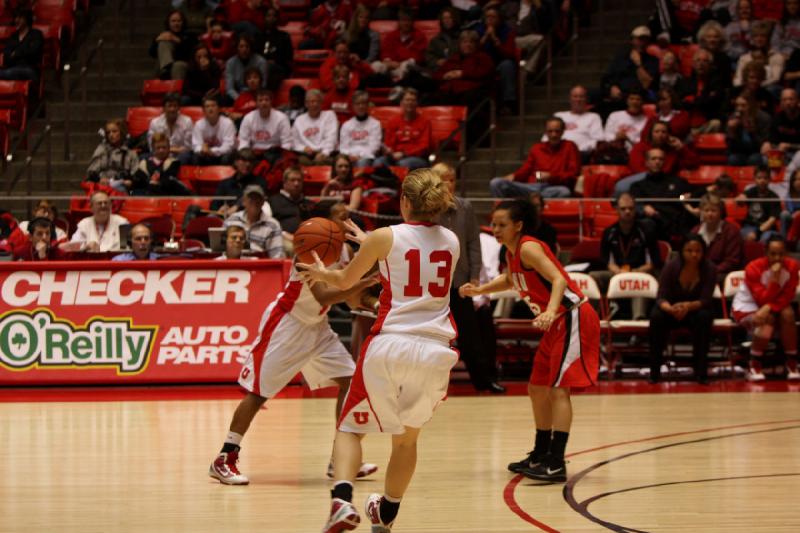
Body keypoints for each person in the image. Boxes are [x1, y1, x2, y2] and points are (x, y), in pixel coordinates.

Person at [297, 168, 460, 533]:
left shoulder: (384, 237)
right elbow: (414, 248)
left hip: (391, 343)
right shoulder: (452, 240)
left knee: (350, 429)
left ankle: (341, 501)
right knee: (406, 441)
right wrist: (373, 242)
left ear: (403, 201)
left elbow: (344, 281)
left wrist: (320, 273)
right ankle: (386, 513)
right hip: (435, 349)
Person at [208, 191, 380, 489]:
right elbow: (324, 294)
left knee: (352, 383)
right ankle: (224, 458)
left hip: (318, 327)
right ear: (325, 222)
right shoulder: (307, 249)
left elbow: (349, 297)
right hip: (287, 326)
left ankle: (339, 458)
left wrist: (372, 299)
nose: (347, 220)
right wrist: (364, 281)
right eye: (341, 216)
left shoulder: (344, 252)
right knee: (259, 394)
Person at [460, 199, 600, 482]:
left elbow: (559, 280)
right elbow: (511, 280)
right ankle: (541, 451)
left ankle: (556, 462)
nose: (496, 230)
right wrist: (481, 290)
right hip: (556, 323)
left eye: (502, 225)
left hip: (572, 315)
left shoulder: (529, 247)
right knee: (537, 388)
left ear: (518, 226)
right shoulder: (511, 252)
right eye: (494, 224)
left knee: (560, 390)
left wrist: (550, 310)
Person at [435, 162, 505, 394]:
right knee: (432, 335)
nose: (448, 184)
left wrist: (475, 275)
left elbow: (473, 243)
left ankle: (484, 380)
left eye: (452, 179)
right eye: (443, 179)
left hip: (461, 282)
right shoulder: (425, 207)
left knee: (471, 335)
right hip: (433, 285)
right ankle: (429, 385)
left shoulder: (465, 207)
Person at [648, 234, 717, 384]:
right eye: (689, 250)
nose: (694, 254)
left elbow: (706, 299)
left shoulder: (710, 268)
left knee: (705, 317)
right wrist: (671, 309)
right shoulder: (671, 266)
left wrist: (687, 306)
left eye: (698, 251)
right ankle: (654, 372)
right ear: (682, 251)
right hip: (671, 310)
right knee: (656, 316)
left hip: (696, 309)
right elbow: (661, 297)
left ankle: (701, 373)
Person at [732, 236, 800, 380]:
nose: (777, 258)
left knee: (788, 314)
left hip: (772, 305)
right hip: (746, 306)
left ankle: (791, 361)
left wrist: (768, 306)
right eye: (773, 254)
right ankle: (754, 363)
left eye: (781, 254)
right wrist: (775, 279)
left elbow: (788, 295)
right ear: (765, 253)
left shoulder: (793, 266)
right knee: (767, 318)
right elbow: (762, 298)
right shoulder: (753, 267)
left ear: (786, 253)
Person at [592, 192, 662, 318]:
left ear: (635, 210)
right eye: (623, 209)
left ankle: (638, 320)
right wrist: (619, 273)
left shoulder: (646, 231)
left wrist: (635, 272)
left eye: (631, 208)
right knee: (593, 277)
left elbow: (653, 262)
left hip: (641, 273)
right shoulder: (609, 232)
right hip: (617, 273)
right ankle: (593, 318)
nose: (627, 212)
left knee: (640, 282)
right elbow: (607, 261)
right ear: (617, 210)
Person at [490, 116, 580, 199]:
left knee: (564, 192)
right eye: (550, 131)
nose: (554, 135)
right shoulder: (537, 148)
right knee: (496, 183)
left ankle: (534, 199)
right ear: (545, 132)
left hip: (553, 187)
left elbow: (573, 174)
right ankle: (503, 212)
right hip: (532, 187)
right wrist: (514, 176)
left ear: (563, 131)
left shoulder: (569, 146)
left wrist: (551, 176)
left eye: (557, 131)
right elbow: (526, 170)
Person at [629, 148, 695, 241]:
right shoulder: (638, 186)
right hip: (655, 225)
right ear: (646, 162)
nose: (657, 162)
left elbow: (691, 195)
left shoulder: (677, 182)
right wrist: (642, 208)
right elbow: (633, 205)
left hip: (677, 224)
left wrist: (686, 197)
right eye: (653, 159)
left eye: (660, 159)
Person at [596, 26, 658, 117]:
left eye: (645, 39)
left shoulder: (653, 61)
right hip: (619, 97)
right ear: (632, 41)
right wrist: (611, 88)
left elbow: (647, 84)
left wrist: (638, 64)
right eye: (639, 39)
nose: (642, 43)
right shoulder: (621, 58)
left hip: (639, 98)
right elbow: (607, 78)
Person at [374, 88, 432, 170]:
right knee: (378, 162)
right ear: (401, 103)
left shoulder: (425, 121)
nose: (410, 103)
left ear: (417, 103)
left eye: (413, 100)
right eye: (407, 100)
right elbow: (388, 143)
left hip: (417, 158)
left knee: (402, 164)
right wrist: (389, 151)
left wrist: (404, 154)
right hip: (395, 156)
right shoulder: (393, 121)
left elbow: (424, 147)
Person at [692, 193, 744, 283]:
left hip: (725, 274)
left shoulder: (731, 231)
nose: (710, 214)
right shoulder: (695, 231)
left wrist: (709, 272)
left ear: (721, 212)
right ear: (701, 212)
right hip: (701, 273)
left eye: (713, 210)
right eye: (706, 210)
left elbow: (732, 262)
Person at [477, 5, 518, 114]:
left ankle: (509, 103)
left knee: (507, 65)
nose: (490, 19)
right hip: (482, 64)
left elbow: (509, 54)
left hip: (500, 63)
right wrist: (485, 36)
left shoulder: (508, 31)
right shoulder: (478, 30)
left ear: (499, 19)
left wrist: (495, 38)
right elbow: (473, 51)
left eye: (493, 17)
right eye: (487, 17)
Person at [223, 185, 285, 257]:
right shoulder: (232, 220)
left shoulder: (273, 225)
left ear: (263, 202)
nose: (255, 201)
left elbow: (277, 255)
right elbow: (221, 249)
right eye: (251, 198)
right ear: (243, 201)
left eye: (258, 198)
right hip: (232, 263)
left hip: (259, 265)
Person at [237, 89, 293, 166]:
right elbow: (243, 140)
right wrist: (245, 156)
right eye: (260, 100)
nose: (264, 103)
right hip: (254, 153)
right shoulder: (248, 118)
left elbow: (287, 142)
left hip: (275, 153)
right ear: (256, 103)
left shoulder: (282, 118)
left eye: (266, 100)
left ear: (271, 102)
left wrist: (284, 157)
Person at [550, 85, 604, 162]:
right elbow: (546, 138)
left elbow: (599, 140)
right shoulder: (559, 115)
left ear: (586, 99)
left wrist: (575, 149)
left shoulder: (594, 117)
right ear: (570, 99)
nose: (578, 99)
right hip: (557, 153)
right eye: (575, 96)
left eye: (581, 96)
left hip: (582, 155)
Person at [86, 119, 139, 193]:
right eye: (108, 132)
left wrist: (130, 182)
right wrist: (99, 179)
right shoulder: (101, 150)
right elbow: (91, 172)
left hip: (121, 186)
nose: (111, 135)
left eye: (114, 131)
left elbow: (135, 176)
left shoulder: (130, 154)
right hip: (102, 186)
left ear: (122, 132)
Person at [211, 148, 268, 215]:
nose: (247, 164)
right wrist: (221, 209)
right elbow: (214, 207)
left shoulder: (259, 182)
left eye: (250, 161)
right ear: (236, 162)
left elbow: (258, 202)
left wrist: (237, 206)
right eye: (244, 160)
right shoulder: (224, 184)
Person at [292, 89, 339, 166]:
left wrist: (324, 153)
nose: (314, 104)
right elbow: (293, 141)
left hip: (328, 153)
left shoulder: (330, 115)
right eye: (311, 102)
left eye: (317, 101)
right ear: (306, 104)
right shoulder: (299, 120)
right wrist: (303, 148)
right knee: (300, 161)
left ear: (321, 103)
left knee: (320, 161)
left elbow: (332, 139)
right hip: (307, 154)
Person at [733, 21, 785, 89]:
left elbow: (775, 78)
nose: (759, 39)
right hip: (746, 88)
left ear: (768, 38)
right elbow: (738, 77)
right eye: (756, 36)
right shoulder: (744, 58)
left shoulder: (777, 57)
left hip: (766, 88)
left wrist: (756, 85)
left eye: (762, 36)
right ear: (752, 39)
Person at [338, 91, 382, 167]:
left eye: (363, 103)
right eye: (357, 104)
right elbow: (343, 147)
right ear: (353, 106)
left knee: (361, 162)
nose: (360, 106)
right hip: (349, 157)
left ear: (368, 105)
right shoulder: (346, 125)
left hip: (367, 157)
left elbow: (374, 147)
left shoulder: (375, 124)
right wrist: (350, 156)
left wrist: (359, 156)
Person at [146, 93, 194, 164]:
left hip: (179, 156)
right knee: (143, 157)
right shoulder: (155, 123)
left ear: (178, 108)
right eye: (169, 106)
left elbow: (188, 148)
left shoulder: (187, 122)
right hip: (160, 154)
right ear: (164, 108)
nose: (172, 109)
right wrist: (171, 150)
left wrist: (168, 150)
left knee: (185, 157)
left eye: (175, 106)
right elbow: (152, 147)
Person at [727, 94, 772, 166]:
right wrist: (732, 132)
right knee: (733, 159)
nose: (739, 109)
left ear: (751, 106)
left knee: (754, 159)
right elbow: (731, 148)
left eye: (743, 105)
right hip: (740, 152)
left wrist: (752, 131)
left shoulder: (763, 118)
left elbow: (764, 144)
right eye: (737, 105)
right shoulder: (734, 118)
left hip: (757, 152)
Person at [739, 165, 781, 242]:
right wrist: (740, 198)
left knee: (765, 239)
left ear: (769, 179)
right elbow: (740, 201)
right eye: (759, 178)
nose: (762, 181)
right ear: (754, 179)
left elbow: (772, 220)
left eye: (765, 178)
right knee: (747, 236)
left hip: (768, 228)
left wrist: (758, 232)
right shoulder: (751, 191)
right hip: (749, 225)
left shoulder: (774, 197)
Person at [149, 10, 195, 80]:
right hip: (166, 66)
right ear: (168, 23)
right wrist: (156, 40)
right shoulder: (164, 35)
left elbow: (190, 53)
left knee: (178, 65)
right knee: (163, 42)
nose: (176, 23)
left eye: (179, 21)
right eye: (173, 21)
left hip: (184, 64)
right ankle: (166, 68)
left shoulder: (190, 36)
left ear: (183, 22)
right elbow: (152, 53)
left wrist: (176, 40)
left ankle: (167, 70)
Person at [191, 95, 237, 165]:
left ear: (219, 109)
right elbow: (196, 145)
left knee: (227, 157)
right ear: (203, 111)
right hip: (206, 155)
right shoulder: (198, 125)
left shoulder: (228, 123)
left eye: (213, 106)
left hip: (222, 155)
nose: (210, 109)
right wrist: (201, 150)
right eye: (207, 106)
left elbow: (228, 147)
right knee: (195, 157)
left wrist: (211, 151)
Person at [0, 8, 43, 82]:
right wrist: (22, 53)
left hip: (29, 70)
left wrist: (15, 53)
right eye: (16, 17)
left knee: (11, 72)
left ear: (27, 19)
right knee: (10, 72)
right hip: (12, 69)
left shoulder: (36, 34)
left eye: (20, 17)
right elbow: (6, 58)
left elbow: (34, 54)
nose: (16, 20)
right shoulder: (13, 37)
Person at [269, 166, 314, 234]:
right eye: (292, 180)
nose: (296, 184)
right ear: (284, 182)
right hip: (281, 239)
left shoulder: (309, 204)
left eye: (299, 180)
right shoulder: (272, 201)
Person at [224, 34, 268, 102]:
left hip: (256, 95)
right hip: (238, 96)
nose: (244, 49)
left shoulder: (261, 61)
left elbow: (263, 85)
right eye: (241, 46)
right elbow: (230, 89)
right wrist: (241, 100)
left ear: (251, 47)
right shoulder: (230, 63)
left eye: (247, 46)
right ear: (237, 48)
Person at [259, 6, 293, 91]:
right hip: (260, 68)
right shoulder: (258, 37)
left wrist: (276, 61)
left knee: (271, 69)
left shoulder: (284, 36)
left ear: (277, 18)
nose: (271, 18)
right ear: (264, 18)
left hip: (279, 69)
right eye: (268, 16)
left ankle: (265, 93)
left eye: (274, 16)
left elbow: (288, 57)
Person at [762, 88, 800, 163]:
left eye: (791, 99)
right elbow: (772, 139)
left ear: (798, 101)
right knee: (766, 158)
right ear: (781, 103)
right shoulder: (777, 118)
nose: (788, 103)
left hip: (798, 154)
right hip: (783, 154)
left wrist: (789, 146)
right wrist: (767, 143)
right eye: (784, 100)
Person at [425, 7, 461, 71]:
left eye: (449, 17)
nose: (447, 20)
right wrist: (437, 61)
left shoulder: (462, 37)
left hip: (458, 69)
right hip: (440, 70)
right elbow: (428, 56)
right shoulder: (435, 40)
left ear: (454, 19)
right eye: (444, 18)